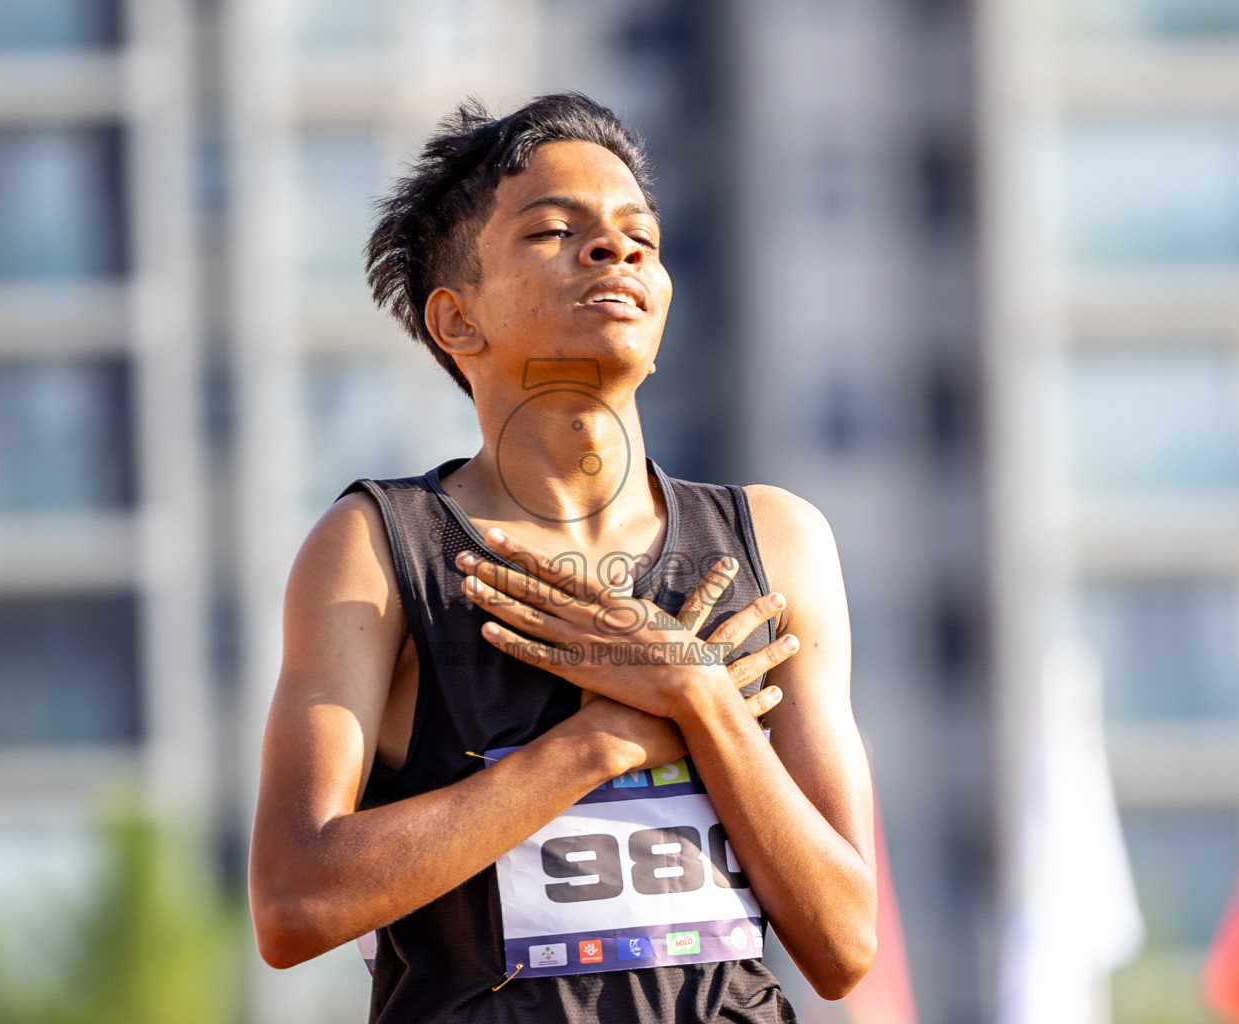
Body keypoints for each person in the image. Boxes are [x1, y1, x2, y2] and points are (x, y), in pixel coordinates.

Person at [248, 93, 877, 1023]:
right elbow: (295, 905)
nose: (616, 250)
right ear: (458, 321)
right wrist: (602, 741)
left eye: (642, 238)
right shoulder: (379, 551)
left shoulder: (778, 541)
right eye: (554, 230)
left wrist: (700, 697)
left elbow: (844, 945)